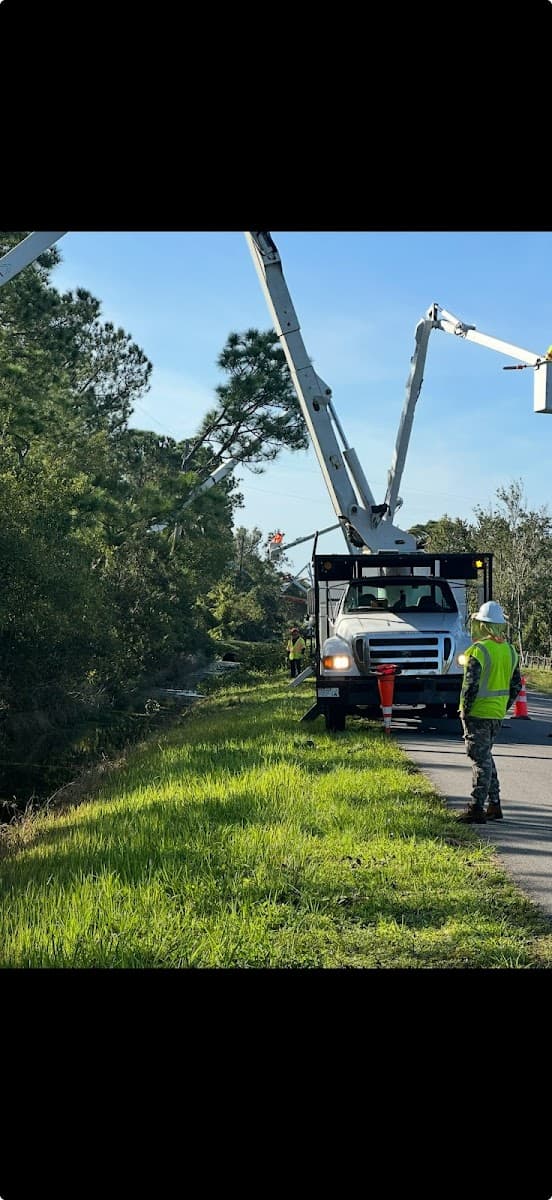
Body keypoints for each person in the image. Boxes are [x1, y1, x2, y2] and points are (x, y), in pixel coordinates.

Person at [456, 600, 522, 823]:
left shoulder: (478, 651)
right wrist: (503, 706)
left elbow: (470, 685)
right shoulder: (510, 651)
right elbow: (516, 685)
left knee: (480, 761)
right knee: (486, 758)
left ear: (482, 625)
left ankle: (476, 808)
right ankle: (494, 804)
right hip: (496, 714)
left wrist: (465, 709)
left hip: (478, 714)